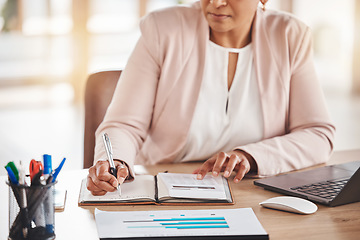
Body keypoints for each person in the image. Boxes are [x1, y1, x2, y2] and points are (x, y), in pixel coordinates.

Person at [87, 0, 335, 196]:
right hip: (168, 193)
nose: (216, 2)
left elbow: (317, 134)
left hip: (254, 194)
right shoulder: (162, 29)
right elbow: (124, 125)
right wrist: (114, 161)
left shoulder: (290, 35)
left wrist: (249, 156)